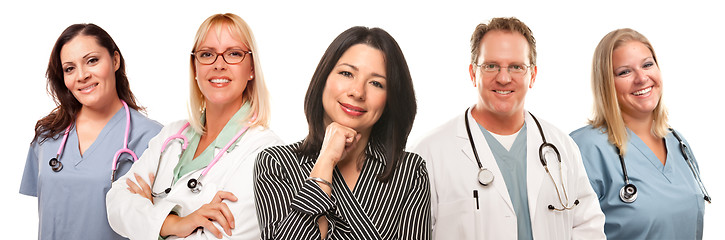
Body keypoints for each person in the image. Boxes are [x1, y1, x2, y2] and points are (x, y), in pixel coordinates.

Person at [413, 17, 606, 239]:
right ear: (472, 73)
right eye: (491, 66)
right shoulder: (429, 152)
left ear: (532, 75)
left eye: (516, 67)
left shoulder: (562, 148)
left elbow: (588, 227)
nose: (503, 78)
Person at [106, 13, 282, 239]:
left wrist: (148, 214)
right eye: (207, 54)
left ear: (251, 69)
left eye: (234, 54)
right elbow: (116, 202)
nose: (219, 65)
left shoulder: (266, 154)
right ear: (195, 68)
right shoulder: (172, 135)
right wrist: (173, 224)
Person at [254, 26, 430, 240]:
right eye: (347, 73)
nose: (357, 92)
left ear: (390, 99)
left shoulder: (409, 171)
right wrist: (326, 161)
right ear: (324, 78)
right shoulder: (276, 163)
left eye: (376, 83)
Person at [19, 23, 163, 239]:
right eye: (70, 68)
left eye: (92, 61)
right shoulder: (47, 135)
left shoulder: (153, 138)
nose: (82, 75)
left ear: (115, 60)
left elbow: (164, 223)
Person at [570, 28, 709, 240]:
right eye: (625, 72)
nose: (642, 78)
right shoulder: (585, 148)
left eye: (647, 65)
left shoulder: (678, 143)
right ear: (607, 83)